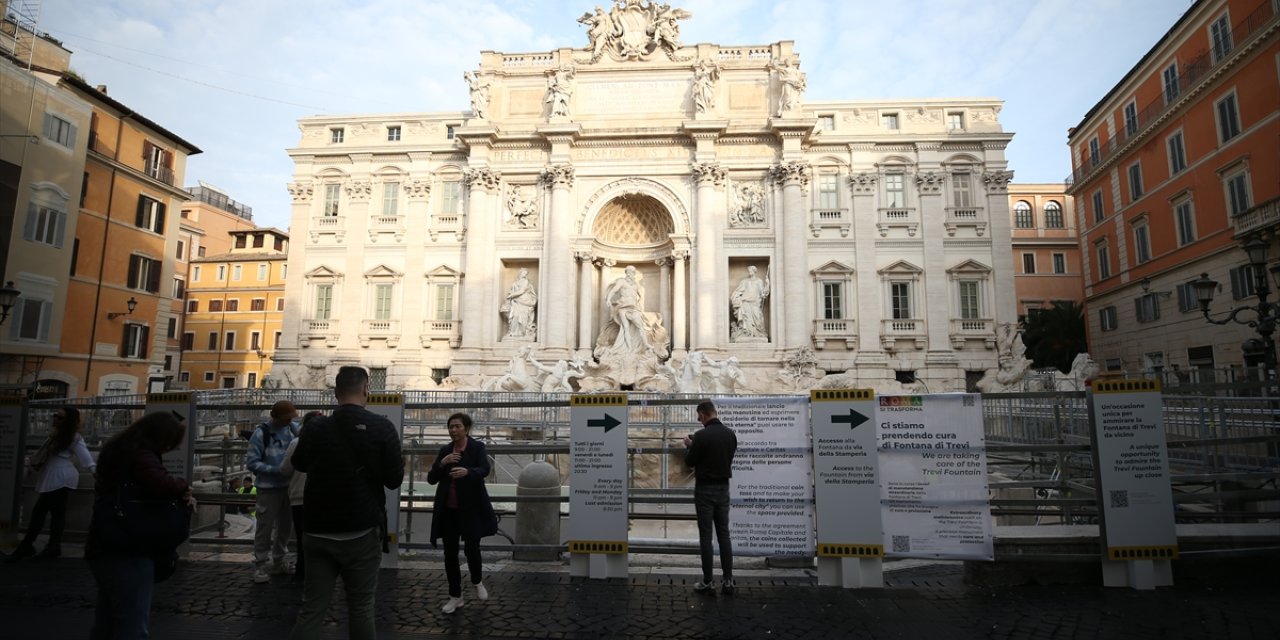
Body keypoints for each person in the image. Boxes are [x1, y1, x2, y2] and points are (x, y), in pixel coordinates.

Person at [289, 366, 403, 640]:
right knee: (361, 608)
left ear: (336, 393)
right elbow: (393, 480)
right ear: (367, 390)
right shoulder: (382, 427)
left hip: (317, 528)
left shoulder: (316, 426)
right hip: (360, 529)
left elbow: (299, 463)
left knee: (311, 608)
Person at [87, 410, 194, 639]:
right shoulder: (141, 455)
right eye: (170, 442)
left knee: (107, 622)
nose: (170, 448)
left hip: (104, 543)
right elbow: (160, 483)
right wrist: (183, 486)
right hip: (130, 546)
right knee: (132, 624)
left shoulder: (118, 449)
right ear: (160, 437)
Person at [428, 412, 498, 614]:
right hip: (449, 510)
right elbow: (432, 479)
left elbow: (485, 469)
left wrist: (468, 472)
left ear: (466, 429)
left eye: (457, 426)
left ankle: (477, 580)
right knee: (450, 554)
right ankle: (455, 596)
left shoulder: (477, 448)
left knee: (472, 548)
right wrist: (443, 463)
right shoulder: (445, 450)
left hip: (470, 509)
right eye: (451, 427)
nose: (453, 430)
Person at [9, 407, 95, 561]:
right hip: (54, 476)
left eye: (60, 417)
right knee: (53, 513)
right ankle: (49, 546)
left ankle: (32, 545)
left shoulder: (74, 438)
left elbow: (86, 459)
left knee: (42, 512)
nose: (55, 419)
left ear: (68, 421)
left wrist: (96, 472)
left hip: (61, 477)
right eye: (55, 416)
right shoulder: (57, 435)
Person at [682, 400, 738, 595]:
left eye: (699, 416)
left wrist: (690, 445)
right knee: (724, 535)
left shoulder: (701, 436)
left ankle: (708, 581)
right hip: (723, 488)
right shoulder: (730, 434)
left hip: (705, 490)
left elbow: (690, 461)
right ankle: (728, 580)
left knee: (706, 537)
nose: (699, 420)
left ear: (704, 414)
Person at [247, 400, 299, 583]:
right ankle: (260, 565)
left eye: (291, 418)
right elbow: (252, 463)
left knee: (285, 527)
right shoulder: (261, 433)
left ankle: (279, 561)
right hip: (268, 489)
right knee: (265, 527)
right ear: (275, 417)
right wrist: (276, 470)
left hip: (288, 487)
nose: (289, 421)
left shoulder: (293, 429)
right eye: (286, 418)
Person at [282, 411, 323, 584]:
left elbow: (285, 469)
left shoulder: (296, 443)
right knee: (321, 538)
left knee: (301, 538)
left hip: (299, 497)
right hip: (322, 498)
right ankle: (321, 574)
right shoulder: (328, 443)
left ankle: (301, 573)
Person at [730, 265, 769, 340]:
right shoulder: (745, 281)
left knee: (757, 317)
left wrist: (767, 284)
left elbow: (763, 293)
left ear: (754, 272)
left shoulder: (759, 281)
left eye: (751, 271)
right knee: (746, 317)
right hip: (745, 302)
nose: (749, 272)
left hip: (755, 302)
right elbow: (738, 291)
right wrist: (735, 297)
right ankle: (747, 332)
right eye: (749, 271)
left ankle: (758, 332)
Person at [501, 268, 538, 340]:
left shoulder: (525, 281)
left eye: (526, 273)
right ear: (520, 273)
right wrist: (511, 295)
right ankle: (514, 333)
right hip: (516, 301)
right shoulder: (515, 283)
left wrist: (512, 295)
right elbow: (511, 291)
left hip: (525, 300)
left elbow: (522, 291)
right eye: (524, 273)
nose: (525, 274)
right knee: (515, 316)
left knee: (523, 317)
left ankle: (523, 333)